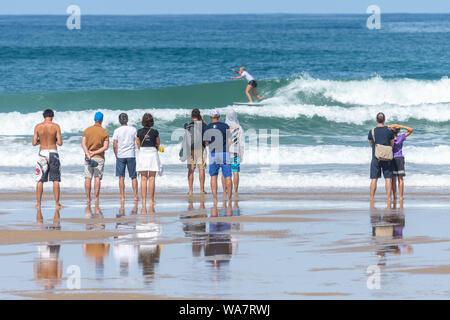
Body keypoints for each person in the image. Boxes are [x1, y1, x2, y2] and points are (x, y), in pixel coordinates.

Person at [32, 109, 63, 209]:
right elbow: (60, 143)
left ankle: (38, 204)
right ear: (52, 116)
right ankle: (57, 204)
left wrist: (41, 141)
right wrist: (53, 139)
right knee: (55, 179)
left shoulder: (38, 126)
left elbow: (33, 143)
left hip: (42, 153)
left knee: (40, 180)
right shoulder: (56, 126)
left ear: (44, 116)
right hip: (53, 152)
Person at [203, 109, 232, 205]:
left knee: (213, 177)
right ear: (219, 116)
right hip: (224, 153)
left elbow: (206, 143)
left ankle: (215, 199)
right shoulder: (225, 126)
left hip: (213, 154)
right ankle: (229, 199)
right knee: (228, 176)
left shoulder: (207, 127)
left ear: (211, 117)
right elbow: (229, 140)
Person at [136, 113, 162, 213]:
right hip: (152, 153)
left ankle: (143, 201)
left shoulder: (139, 131)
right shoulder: (155, 131)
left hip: (142, 153)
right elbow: (158, 143)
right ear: (151, 122)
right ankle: (151, 200)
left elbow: (138, 144)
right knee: (151, 178)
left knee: (143, 178)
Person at [82, 112, 109, 205]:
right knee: (97, 178)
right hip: (99, 158)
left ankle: (88, 199)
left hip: (88, 158)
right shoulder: (104, 132)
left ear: (94, 119)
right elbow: (105, 147)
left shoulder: (87, 130)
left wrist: (88, 154)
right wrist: (95, 152)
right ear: (102, 120)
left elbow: (83, 144)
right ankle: (96, 198)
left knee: (88, 178)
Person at [368, 112, 395, 209]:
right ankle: (388, 199)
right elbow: (392, 144)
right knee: (388, 179)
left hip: (376, 157)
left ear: (376, 120)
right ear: (384, 120)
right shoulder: (389, 131)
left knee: (374, 179)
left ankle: (371, 198)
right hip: (387, 157)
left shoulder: (372, 131)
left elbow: (371, 144)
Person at [112, 113, 139, 203]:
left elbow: (115, 145)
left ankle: (122, 196)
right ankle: (135, 196)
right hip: (131, 154)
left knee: (121, 177)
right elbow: (137, 142)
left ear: (119, 121)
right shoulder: (133, 129)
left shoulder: (117, 131)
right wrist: (141, 151)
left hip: (121, 155)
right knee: (133, 177)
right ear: (127, 120)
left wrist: (116, 154)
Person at [183, 108, 207, 196]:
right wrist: (203, 120)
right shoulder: (203, 124)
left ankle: (190, 191)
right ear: (199, 116)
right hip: (200, 147)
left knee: (191, 169)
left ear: (191, 116)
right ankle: (201, 190)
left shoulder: (187, 125)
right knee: (201, 169)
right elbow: (208, 130)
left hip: (190, 148)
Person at [387, 123, 414, 203]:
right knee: (400, 179)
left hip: (392, 158)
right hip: (400, 158)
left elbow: (383, 128)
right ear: (398, 131)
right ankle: (401, 197)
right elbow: (411, 130)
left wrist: (390, 126)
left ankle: (395, 196)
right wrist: (401, 126)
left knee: (393, 179)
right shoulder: (401, 137)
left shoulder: (389, 138)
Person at [222, 109, 244, 196]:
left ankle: (225, 191)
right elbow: (241, 143)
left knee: (225, 173)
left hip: (225, 152)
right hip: (235, 152)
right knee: (235, 172)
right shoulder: (239, 127)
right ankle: (235, 191)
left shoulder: (224, 126)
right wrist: (241, 155)